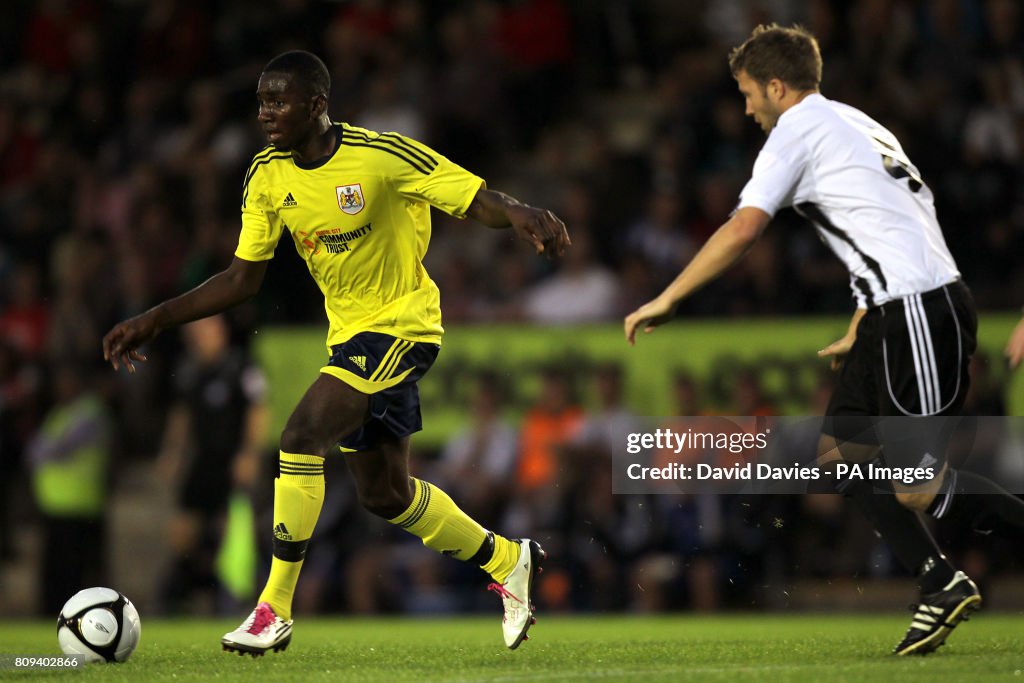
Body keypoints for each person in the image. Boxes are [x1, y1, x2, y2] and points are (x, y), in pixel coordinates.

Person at [103, 50, 569, 655]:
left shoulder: (381, 155)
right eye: (262, 101)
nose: (267, 113)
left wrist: (519, 211)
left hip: (403, 326)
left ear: (317, 105)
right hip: (349, 336)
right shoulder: (267, 175)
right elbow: (244, 278)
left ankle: (273, 609)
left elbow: (471, 196)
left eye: (280, 100)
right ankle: (508, 560)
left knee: (299, 435)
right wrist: (156, 318)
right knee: (385, 495)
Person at [624, 24, 1024, 655]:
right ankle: (938, 580)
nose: (747, 106)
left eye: (750, 92)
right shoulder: (859, 124)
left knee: (917, 486)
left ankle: (947, 575)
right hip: (895, 312)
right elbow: (893, 218)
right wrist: (863, 318)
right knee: (838, 456)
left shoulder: (796, 133)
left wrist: (670, 295)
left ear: (777, 87)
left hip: (917, 312)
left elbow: (744, 228)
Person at [155, 314, 268, 614]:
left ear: (220, 331)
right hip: (202, 461)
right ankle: (178, 595)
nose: (199, 337)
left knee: (231, 530)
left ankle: (236, 595)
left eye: (204, 330)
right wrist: (172, 453)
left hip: (232, 462)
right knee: (183, 531)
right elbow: (182, 416)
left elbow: (257, 411)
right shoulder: (190, 369)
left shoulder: (242, 367)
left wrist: (249, 453)